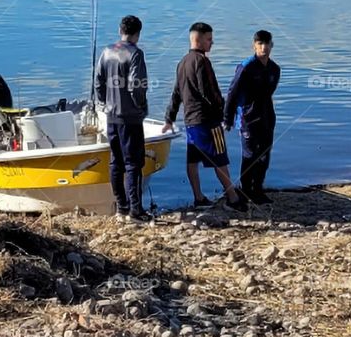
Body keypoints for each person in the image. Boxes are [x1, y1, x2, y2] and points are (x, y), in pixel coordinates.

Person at [163, 22, 247, 212]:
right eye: (209, 39)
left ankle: (198, 197)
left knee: (192, 160)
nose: (212, 43)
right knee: (220, 159)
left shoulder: (182, 62)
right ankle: (233, 198)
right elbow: (209, 91)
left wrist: (170, 117)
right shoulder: (202, 62)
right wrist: (225, 113)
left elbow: (177, 93)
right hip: (208, 120)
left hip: (190, 121)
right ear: (198, 39)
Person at [94, 14, 151, 224]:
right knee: (134, 163)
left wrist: (103, 104)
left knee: (115, 162)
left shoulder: (107, 51)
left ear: (120, 30)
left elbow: (98, 81)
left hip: (111, 116)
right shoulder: (136, 53)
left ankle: (121, 207)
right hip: (130, 118)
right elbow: (136, 85)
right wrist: (141, 106)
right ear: (137, 33)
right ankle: (136, 210)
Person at [223, 29, 281, 205]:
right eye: (260, 44)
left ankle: (258, 189)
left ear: (271, 46)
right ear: (254, 46)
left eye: (266, 44)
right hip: (247, 118)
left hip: (266, 117)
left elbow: (270, 92)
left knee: (264, 154)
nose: (263, 47)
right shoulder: (246, 67)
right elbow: (232, 93)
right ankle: (246, 188)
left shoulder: (274, 69)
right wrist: (228, 117)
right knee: (249, 154)